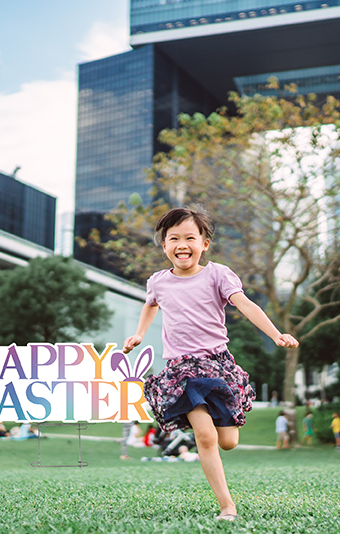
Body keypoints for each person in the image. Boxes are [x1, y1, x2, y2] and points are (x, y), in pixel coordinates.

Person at [123, 206, 299, 521]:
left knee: (227, 442)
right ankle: (227, 505)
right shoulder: (159, 282)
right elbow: (151, 305)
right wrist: (139, 334)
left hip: (217, 365)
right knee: (205, 436)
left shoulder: (218, 274)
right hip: (182, 369)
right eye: (173, 238)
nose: (181, 244)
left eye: (190, 237)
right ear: (164, 246)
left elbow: (245, 304)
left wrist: (276, 334)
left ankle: (219, 427)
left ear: (204, 243)